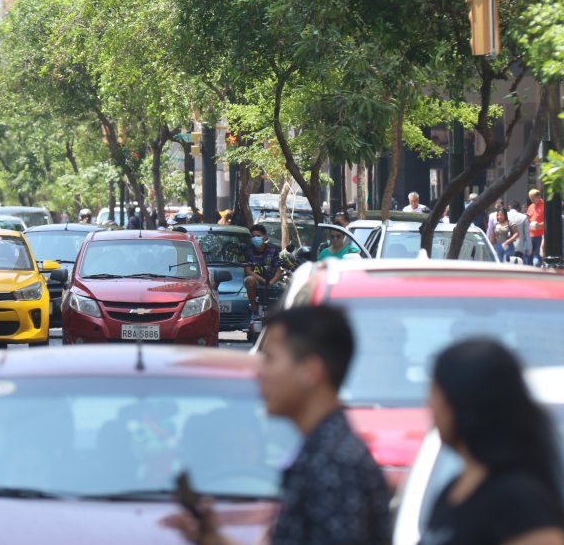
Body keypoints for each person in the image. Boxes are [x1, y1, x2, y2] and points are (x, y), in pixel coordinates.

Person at [166, 306, 390, 544]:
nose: (259, 373)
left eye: (270, 359)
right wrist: (213, 538)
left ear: (310, 371)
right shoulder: (318, 452)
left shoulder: (335, 465)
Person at [421, 339, 564, 544]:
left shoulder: (519, 500)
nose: (430, 406)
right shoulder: (452, 491)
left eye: (436, 394)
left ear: (461, 403)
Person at [243, 224, 282, 318]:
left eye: (258, 236)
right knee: (249, 280)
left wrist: (272, 281)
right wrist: (263, 280)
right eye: (253, 236)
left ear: (265, 236)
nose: (256, 238)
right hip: (256, 280)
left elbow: (278, 270)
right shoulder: (248, 250)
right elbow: (248, 271)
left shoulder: (273, 250)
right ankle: (254, 311)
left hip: (271, 281)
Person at [528, 189, 546, 267]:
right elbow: (528, 219)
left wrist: (539, 225)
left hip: (540, 236)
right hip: (530, 235)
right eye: (531, 199)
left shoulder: (544, 206)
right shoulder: (531, 206)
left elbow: (548, 222)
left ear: (538, 197)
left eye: (533, 198)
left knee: (537, 258)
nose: (532, 200)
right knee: (529, 256)